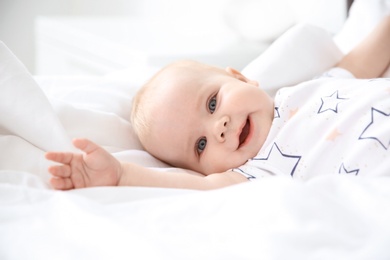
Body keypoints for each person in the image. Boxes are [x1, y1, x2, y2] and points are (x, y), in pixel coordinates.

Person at [46, 16, 390, 190]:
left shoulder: (307, 91)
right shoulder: (254, 173)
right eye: (200, 145)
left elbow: (360, 62)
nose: (219, 128)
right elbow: (198, 188)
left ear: (240, 77)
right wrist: (121, 174)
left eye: (212, 104)